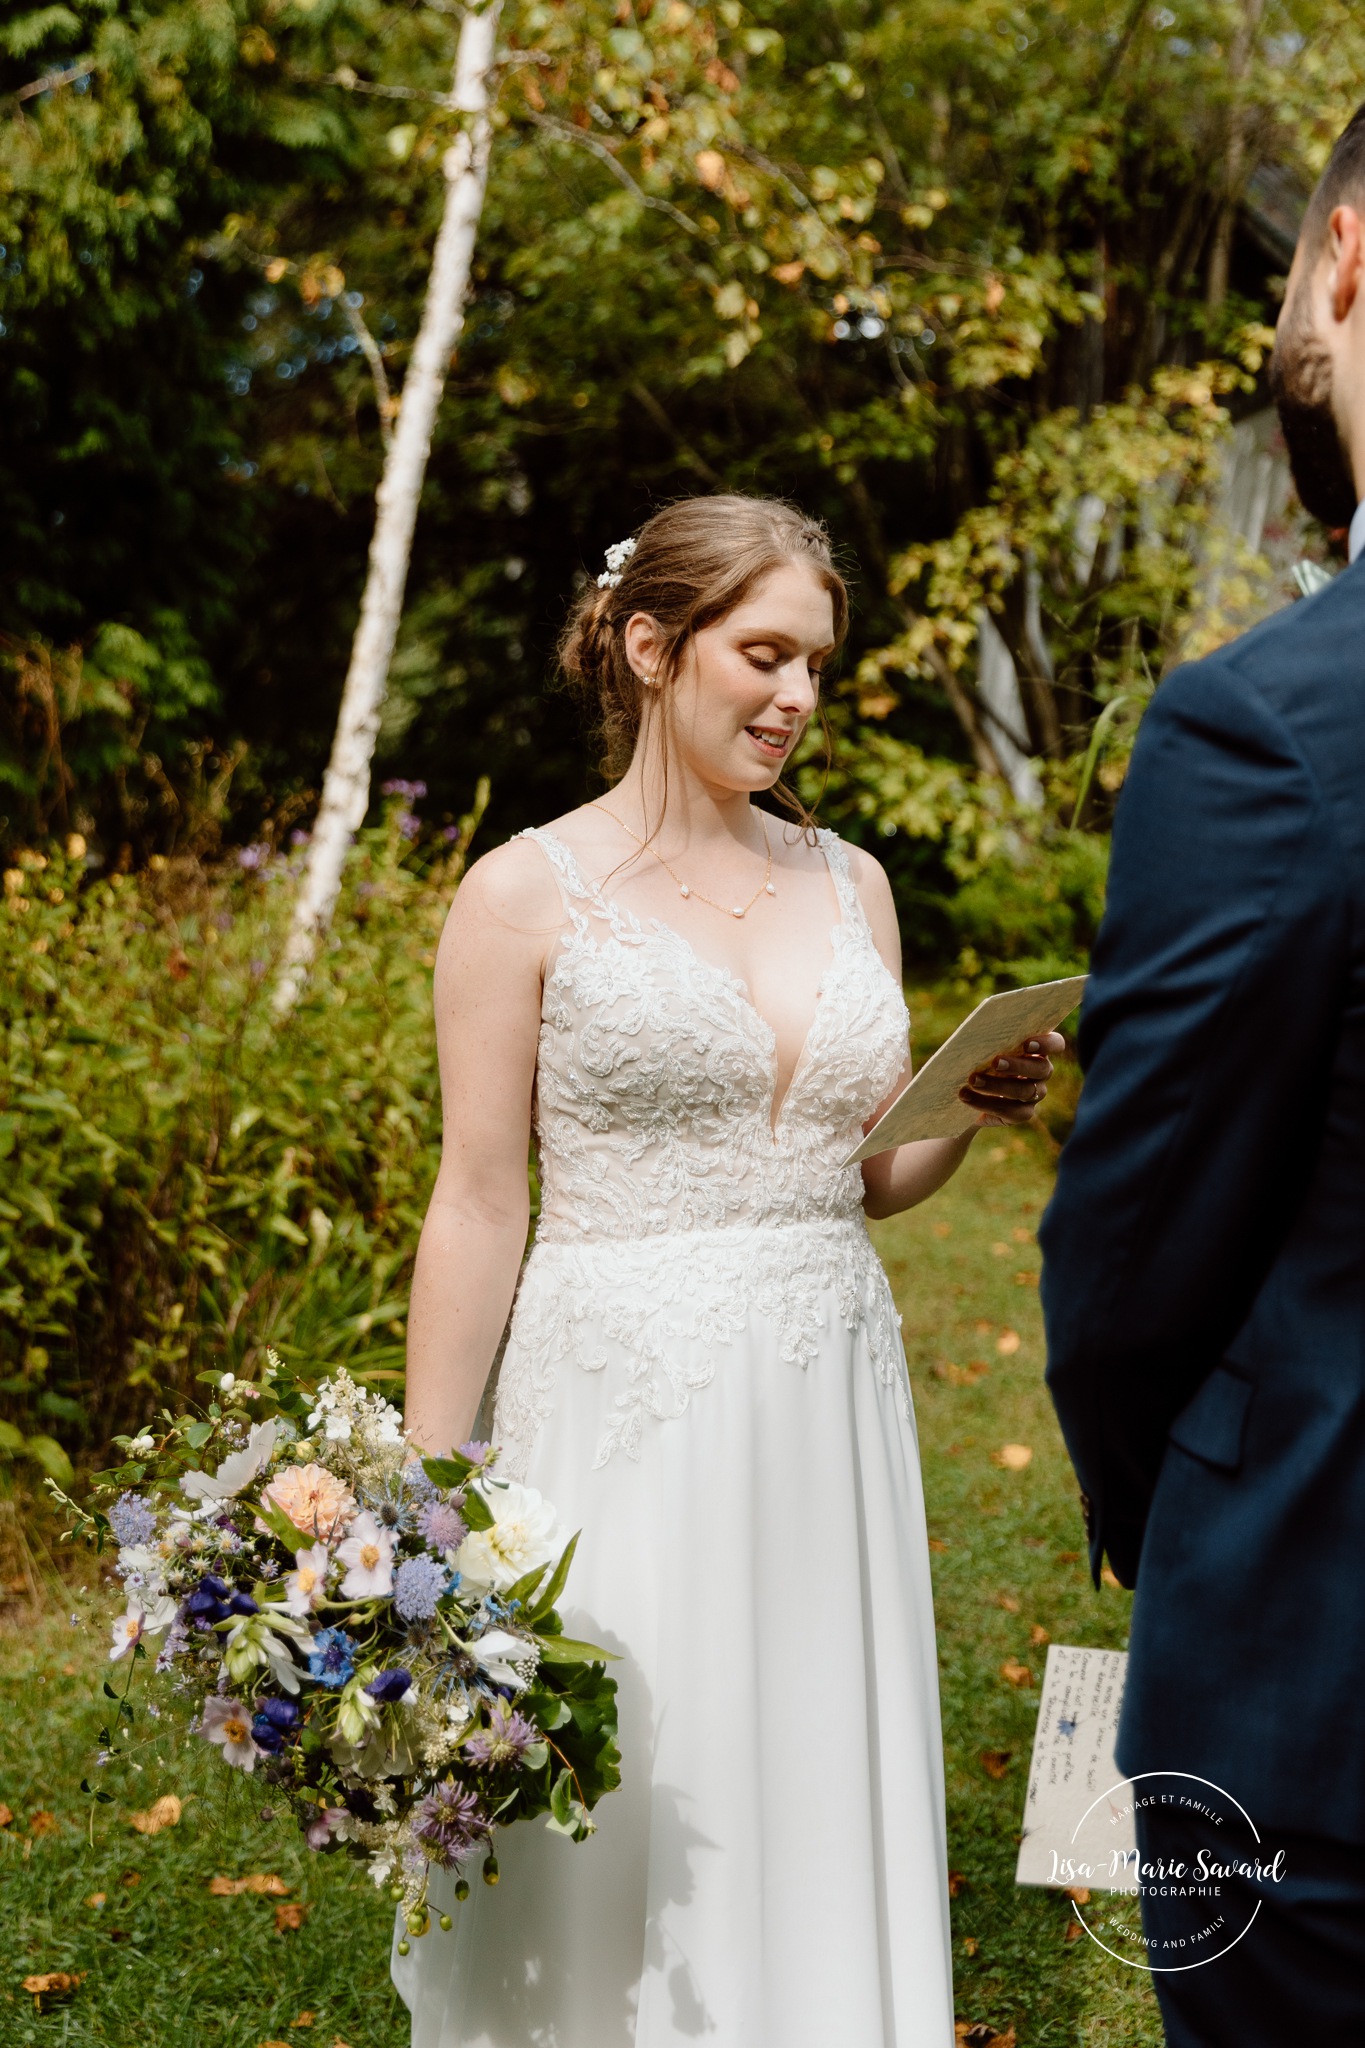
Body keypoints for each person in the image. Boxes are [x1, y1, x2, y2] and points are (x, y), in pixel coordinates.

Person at [395, 494, 1060, 2047]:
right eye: (763, 654)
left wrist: (967, 1102)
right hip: (621, 1395)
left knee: (812, 1756)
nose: (797, 698)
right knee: (635, 1769)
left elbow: (873, 1179)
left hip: (825, 1388)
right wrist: (427, 1494)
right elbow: (481, 1199)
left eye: (817, 663)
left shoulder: (854, 886)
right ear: (647, 646)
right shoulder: (520, 892)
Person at [1039, 106, 1365, 2047]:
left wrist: (1160, 1513)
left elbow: (1126, 1262)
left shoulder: (1268, 727)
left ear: (1345, 257)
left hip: (1309, 1696)